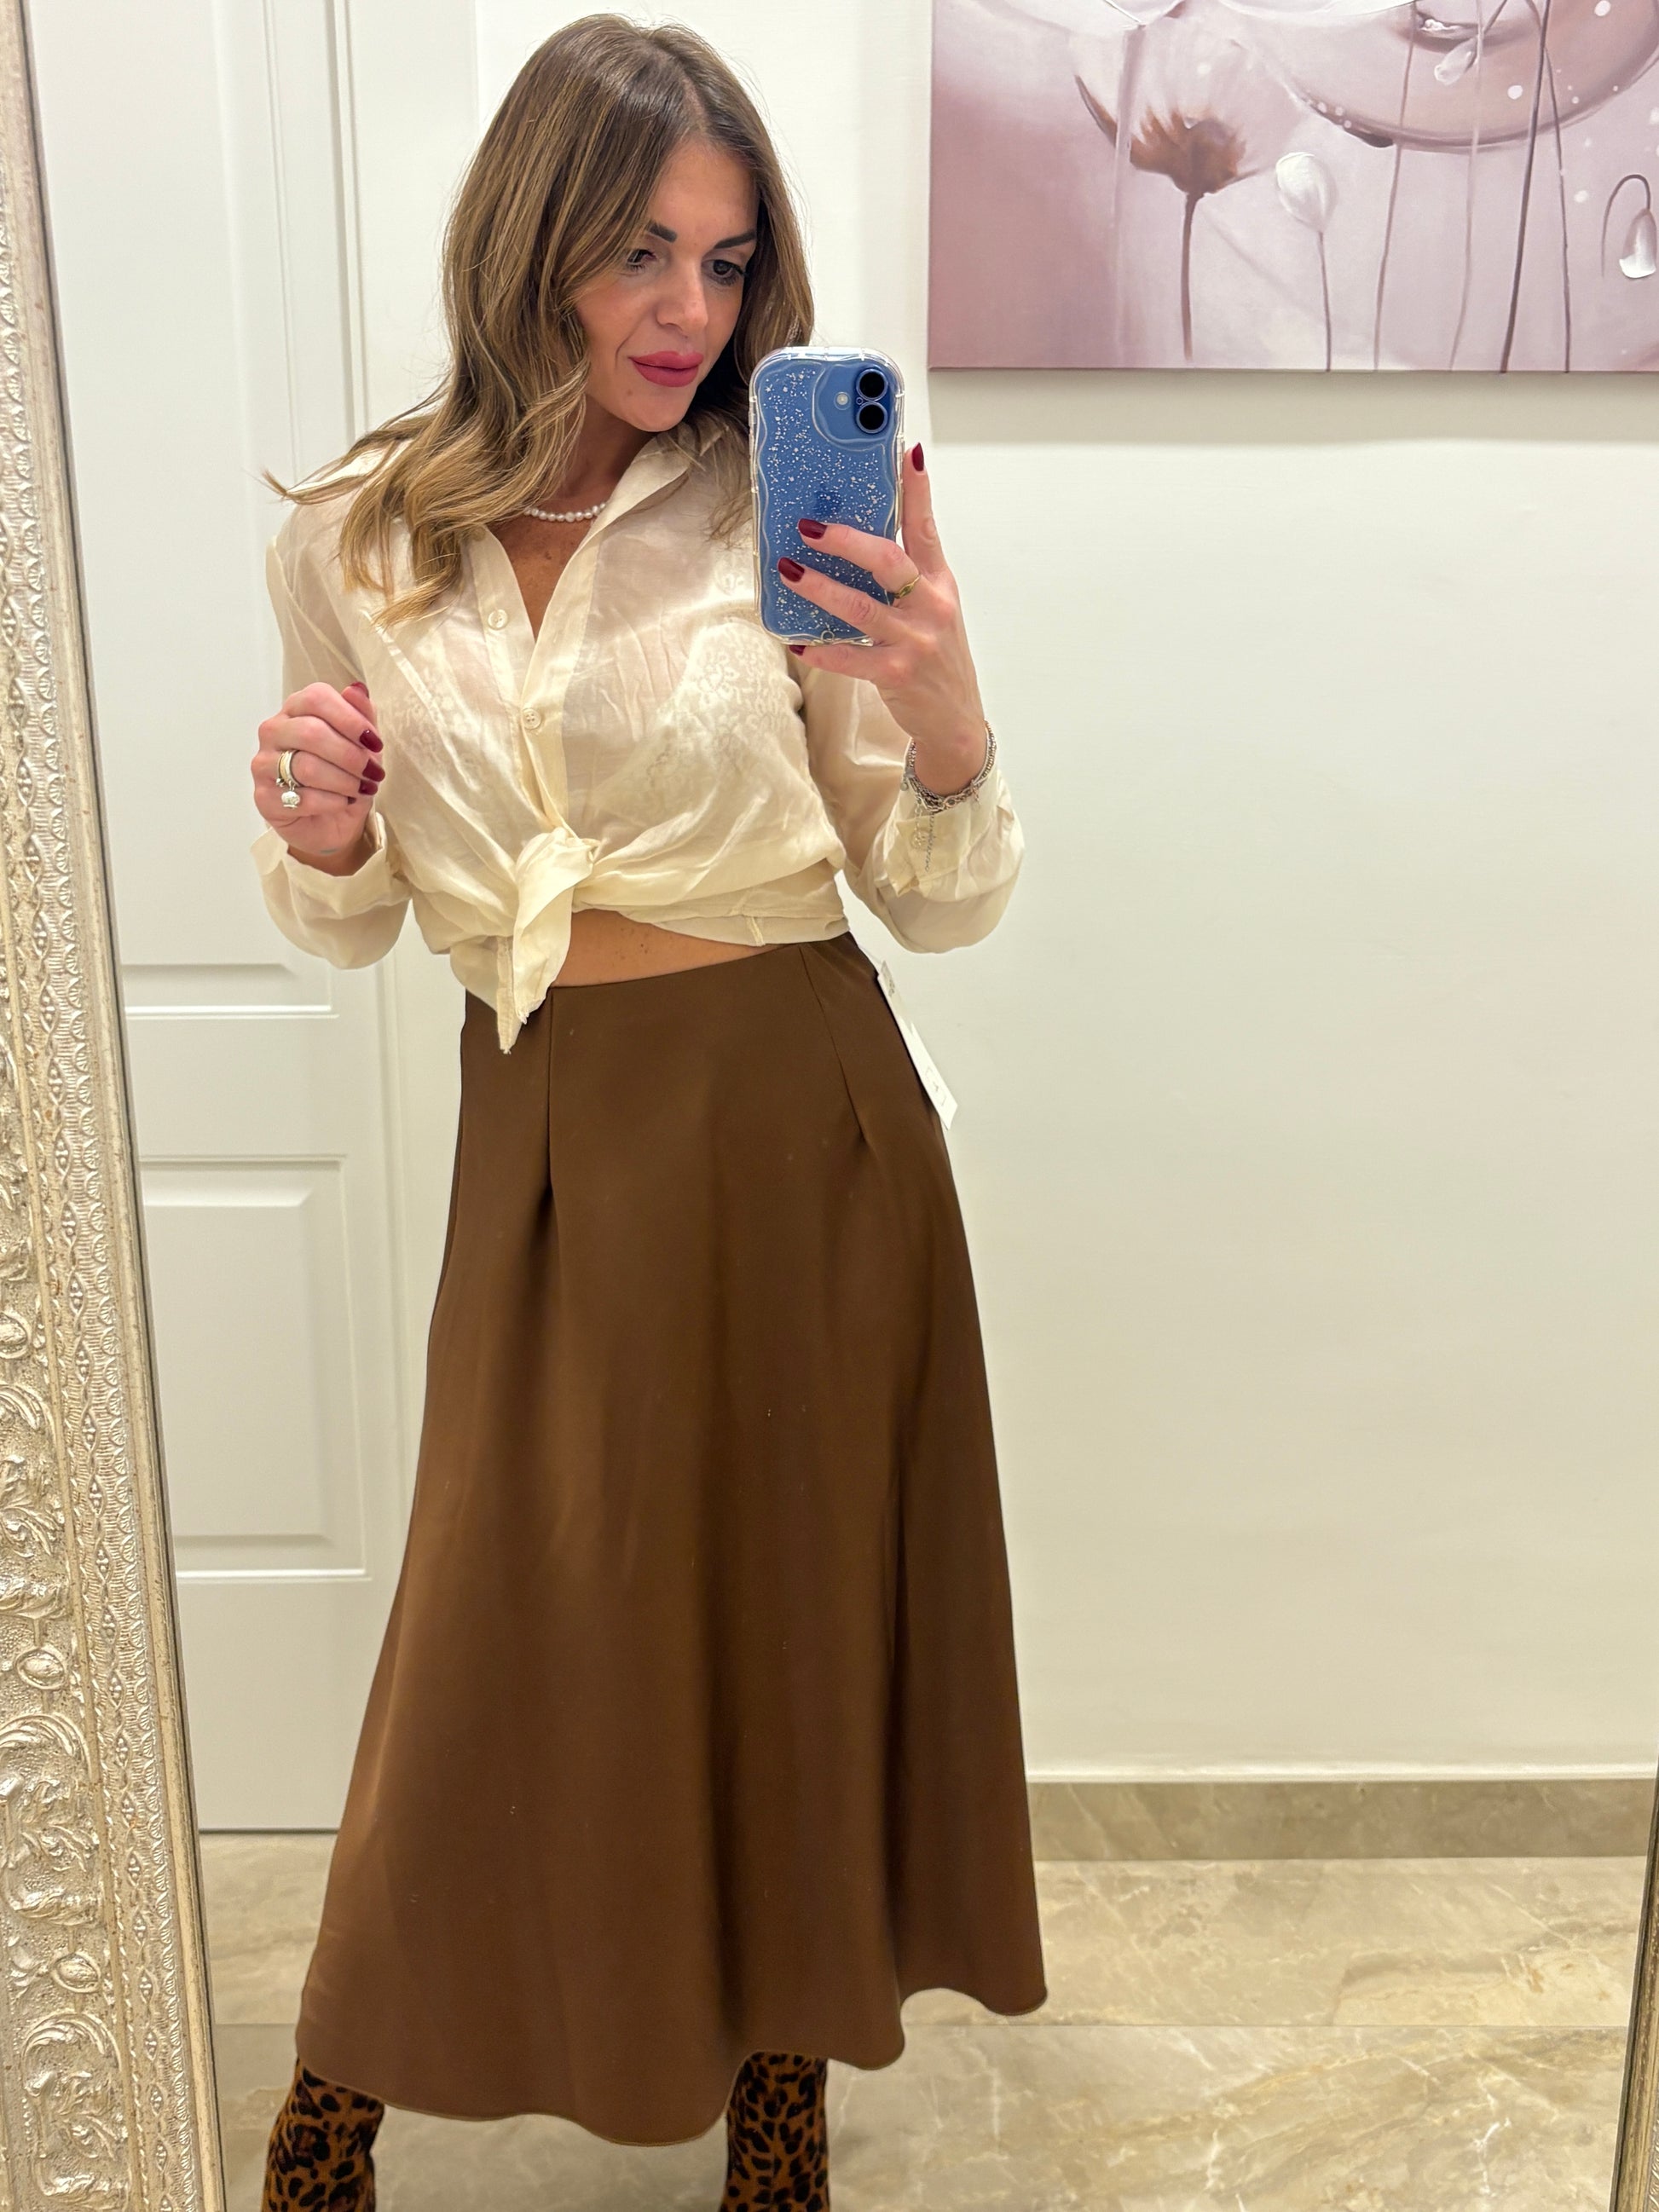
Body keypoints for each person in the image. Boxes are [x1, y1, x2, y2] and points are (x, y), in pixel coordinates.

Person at [248, 16, 1045, 2207]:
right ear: (530, 243)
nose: (688, 309)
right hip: (542, 1127)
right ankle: (340, 2078)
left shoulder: (786, 509)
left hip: (800, 1121)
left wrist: (948, 720)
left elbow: (929, 893)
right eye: (637, 253)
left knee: (788, 1607)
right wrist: (322, 831)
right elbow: (351, 915)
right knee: (496, 1617)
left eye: (725, 257)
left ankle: (782, 2073)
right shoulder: (358, 538)